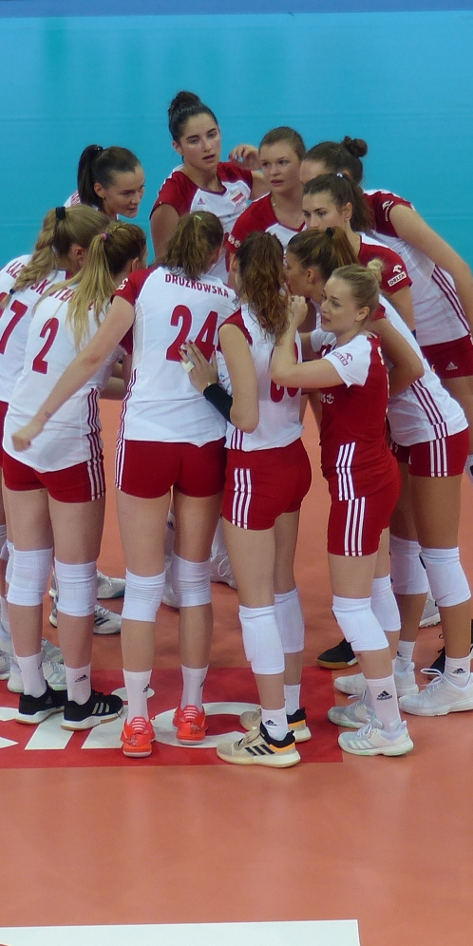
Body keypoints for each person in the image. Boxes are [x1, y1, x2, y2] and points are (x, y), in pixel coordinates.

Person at [11, 210, 236, 758]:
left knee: (142, 584)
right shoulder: (227, 300)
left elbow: (95, 355)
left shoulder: (141, 282)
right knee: (194, 582)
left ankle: (136, 718)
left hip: (147, 441)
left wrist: (40, 416)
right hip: (204, 441)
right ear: (215, 253)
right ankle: (192, 710)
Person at [301, 138, 473, 650]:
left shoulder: (387, 215)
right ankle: (410, 617)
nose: (309, 214)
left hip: (443, 339)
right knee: (401, 488)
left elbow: (459, 268)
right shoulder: (327, 251)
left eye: (318, 201)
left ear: (347, 192)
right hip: (392, 351)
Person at [298, 181, 473, 716]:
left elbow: (413, 367)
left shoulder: (364, 309)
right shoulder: (338, 309)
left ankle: (459, 678)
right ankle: (400, 668)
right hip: (403, 436)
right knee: (403, 553)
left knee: (439, 555)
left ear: (312, 276)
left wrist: (374, 408)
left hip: (432, 430)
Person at [0, 225, 145, 731]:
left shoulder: (54, 294)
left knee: (27, 567)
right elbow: (98, 368)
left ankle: (32, 691)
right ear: (134, 265)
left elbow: (78, 371)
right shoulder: (118, 309)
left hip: (17, 432)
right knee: (77, 574)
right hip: (66, 441)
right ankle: (80, 699)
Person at [267, 258, 414, 758]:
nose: (322, 308)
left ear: (363, 312)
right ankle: (381, 701)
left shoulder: (351, 356)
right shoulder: (346, 342)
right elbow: (306, 343)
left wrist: (288, 325)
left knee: (351, 606)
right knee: (377, 591)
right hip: (374, 477)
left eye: (333, 303)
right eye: (324, 298)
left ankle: (390, 727)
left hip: (359, 488)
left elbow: (283, 371)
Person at [180, 232, 314, 768]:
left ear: (235, 269)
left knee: (255, 602)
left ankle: (274, 734)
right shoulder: (293, 317)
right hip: (292, 459)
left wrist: (206, 385)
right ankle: (292, 712)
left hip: (255, 468)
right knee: (283, 587)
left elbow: (245, 417)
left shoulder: (236, 328)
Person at [0, 207, 105, 690]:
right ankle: (25, 661)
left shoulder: (15, 267)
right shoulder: (67, 295)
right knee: (28, 545)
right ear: (80, 253)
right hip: (15, 414)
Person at [149, 91, 265, 276]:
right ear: (177, 147)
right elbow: (164, 274)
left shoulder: (235, 174)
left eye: (212, 135)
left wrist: (264, 163)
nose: (207, 146)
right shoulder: (173, 198)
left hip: (243, 287)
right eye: (194, 140)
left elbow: (291, 198)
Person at [230, 127, 309, 255]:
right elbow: (234, 266)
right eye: (266, 164)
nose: (273, 172)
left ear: (302, 162)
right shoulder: (251, 220)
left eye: (282, 162)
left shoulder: (326, 205)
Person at [72, 145, 146, 220]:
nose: (137, 200)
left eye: (141, 188)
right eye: (127, 193)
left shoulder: (91, 191)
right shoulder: (88, 224)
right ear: (99, 190)